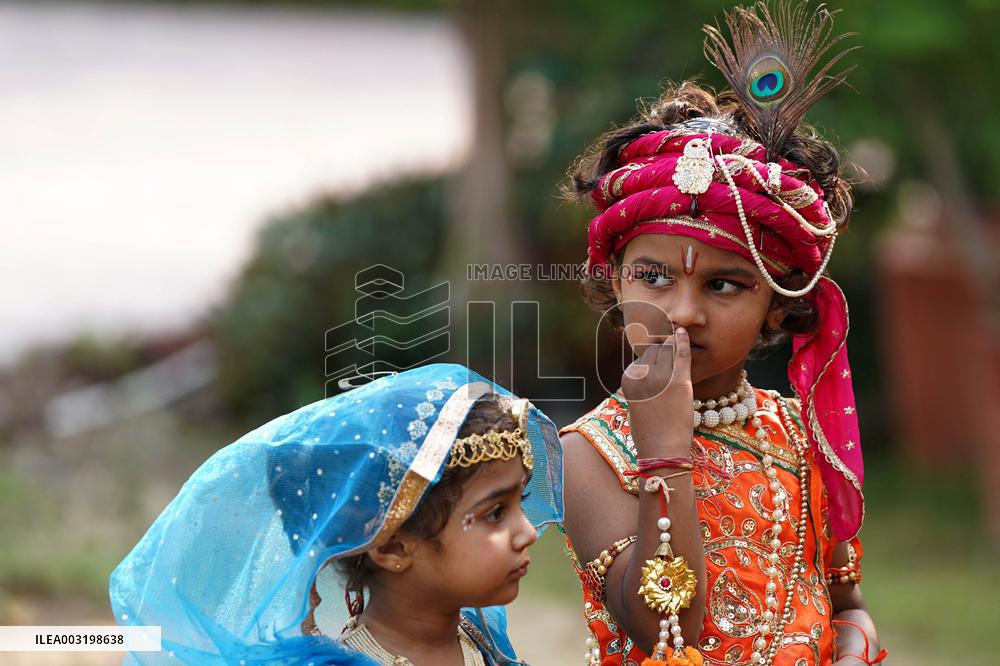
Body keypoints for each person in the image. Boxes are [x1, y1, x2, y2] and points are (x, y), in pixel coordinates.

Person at [558, 3, 885, 665]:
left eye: (725, 284)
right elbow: (662, 629)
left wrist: (855, 645)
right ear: (614, 281)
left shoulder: (800, 434)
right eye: (652, 276)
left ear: (778, 303)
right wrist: (663, 450)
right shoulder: (589, 455)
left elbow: (846, 604)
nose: (680, 313)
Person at [110, 363, 563, 665]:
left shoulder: (479, 637)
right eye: (494, 514)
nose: (527, 533)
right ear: (392, 545)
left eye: (519, 504)